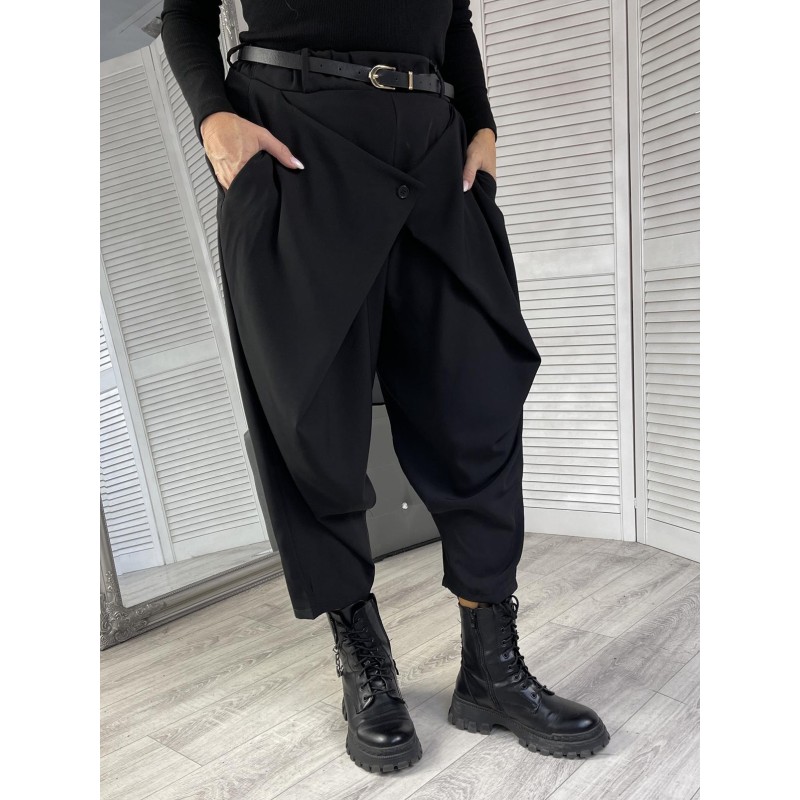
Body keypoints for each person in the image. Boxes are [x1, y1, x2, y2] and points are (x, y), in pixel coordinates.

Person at [160, 0, 610, 773]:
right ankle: (366, 667)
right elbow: (184, 12)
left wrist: (483, 126)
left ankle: (491, 671)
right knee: (312, 424)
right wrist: (213, 116)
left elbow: (455, 18)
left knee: (479, 406)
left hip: (436, 153)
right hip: (294, 149)